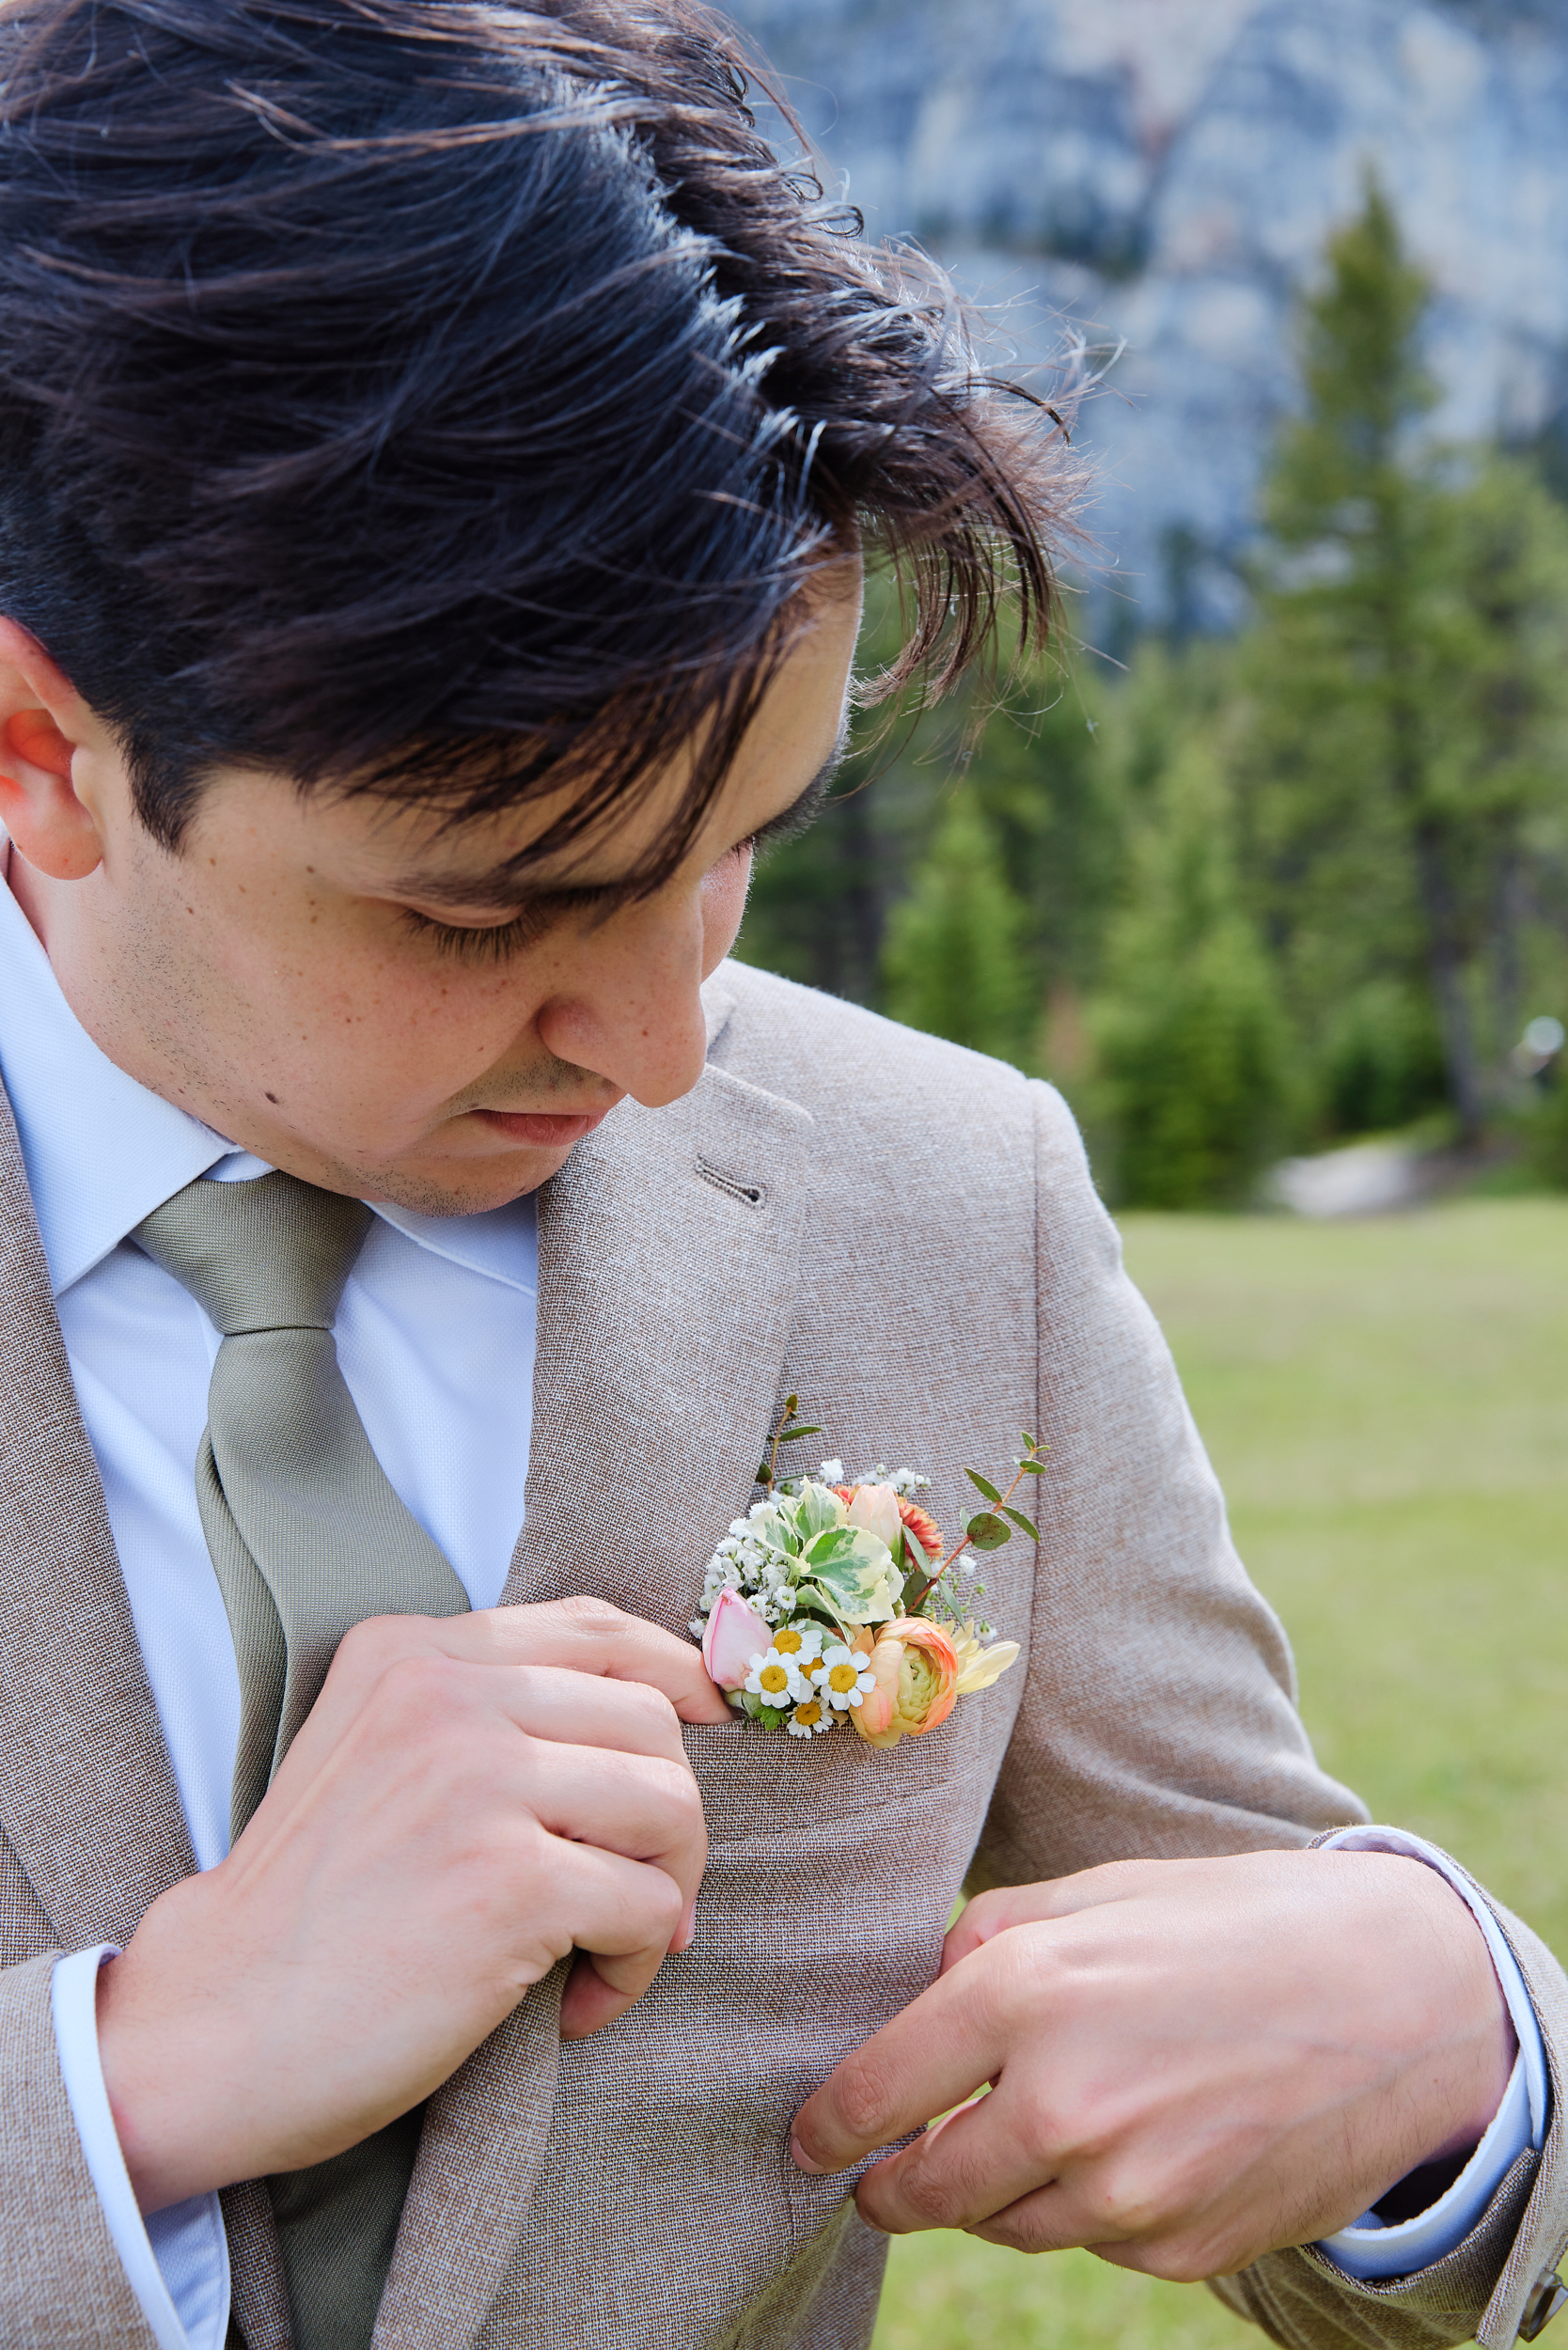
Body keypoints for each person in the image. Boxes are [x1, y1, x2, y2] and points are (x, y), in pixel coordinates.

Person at [0, 4, 1560, 2347]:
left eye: (743, 845)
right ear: (42, 755)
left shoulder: (951, 1200)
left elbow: (1298, 2103)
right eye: (486, 909)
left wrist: (1470, 2058)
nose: (655, 1048)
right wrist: (125, 2082)